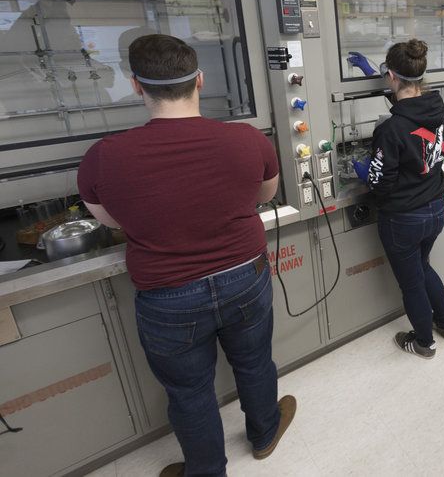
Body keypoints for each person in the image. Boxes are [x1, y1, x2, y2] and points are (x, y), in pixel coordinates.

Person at [77, 34, 295, 477]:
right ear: (200, 80)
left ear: (137, 86)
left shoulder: (104, 157)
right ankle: (264, 433)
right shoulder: (246, 140)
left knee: (190, 391)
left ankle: (207, 470)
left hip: (168, 295)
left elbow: (108, 220)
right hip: (244, 276)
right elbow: (265, 194)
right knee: (254, 361)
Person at [362, 39, 444, 359]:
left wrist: (366, 170)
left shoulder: (392, 128)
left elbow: (380, 183)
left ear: (391, 76)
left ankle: (424, 342)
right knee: (423, 266)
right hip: (436, 208)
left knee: (412, 281)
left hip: (403, 217)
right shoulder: (438, 111)